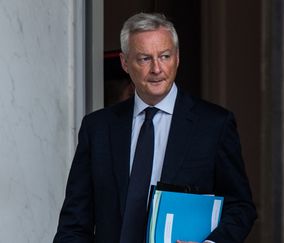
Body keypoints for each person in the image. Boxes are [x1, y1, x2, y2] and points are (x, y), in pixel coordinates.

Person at [53, 13, 256, 243]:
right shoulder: (97, 128)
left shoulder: (214, 125)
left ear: (177, 58)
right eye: (144, 59)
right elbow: (73, 224)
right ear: (125, 63)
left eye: (165, 56)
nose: (157, 68)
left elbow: (240, 207)